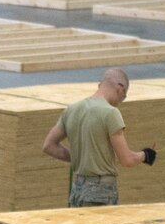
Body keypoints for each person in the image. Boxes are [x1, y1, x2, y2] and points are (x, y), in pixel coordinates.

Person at [41, 67, 157, 207]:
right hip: (100, 194)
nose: (120, 101)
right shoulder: (110, 113)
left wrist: (82, 158)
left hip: (77, 191)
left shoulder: (71, 110)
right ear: (120, 88)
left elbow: (49, 146)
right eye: (123, 97)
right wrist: (146, 155)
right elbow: (127, 160)